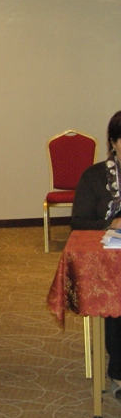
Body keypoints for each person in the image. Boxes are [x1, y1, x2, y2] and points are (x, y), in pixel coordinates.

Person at [72, 110, 121, 398]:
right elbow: (78, 222)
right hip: (110, 260)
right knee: (116, 298)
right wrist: (111, 224)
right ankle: (119, 373)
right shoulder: (94, 176)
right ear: (113, 142)